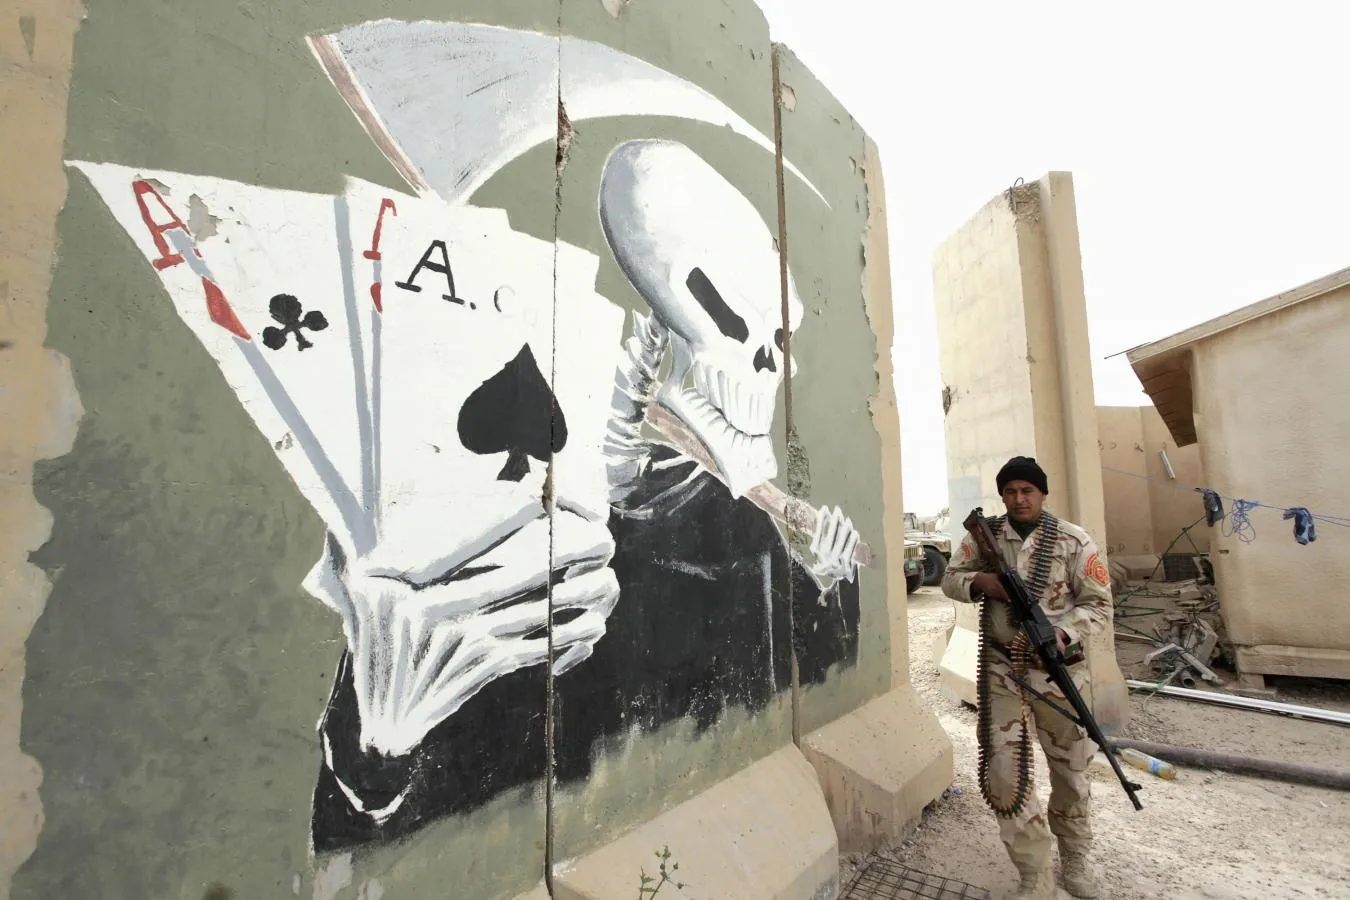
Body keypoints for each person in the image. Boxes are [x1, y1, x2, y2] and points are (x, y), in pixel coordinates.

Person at [941, 456, 1113, 899]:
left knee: (1071, 770)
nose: (1019, 499)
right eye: (1011, 491)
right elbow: (950, 579)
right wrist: (983, 583)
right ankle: (1034, 873)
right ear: (1002, 495)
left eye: (1027, 491)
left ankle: (1075, 856)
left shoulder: (1073, 541)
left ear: (1042, 494)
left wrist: (1062, 633)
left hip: (1059, 671)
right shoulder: (985, 537)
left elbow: (1099, 605)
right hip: (1003, 668)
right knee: (1004, 771)